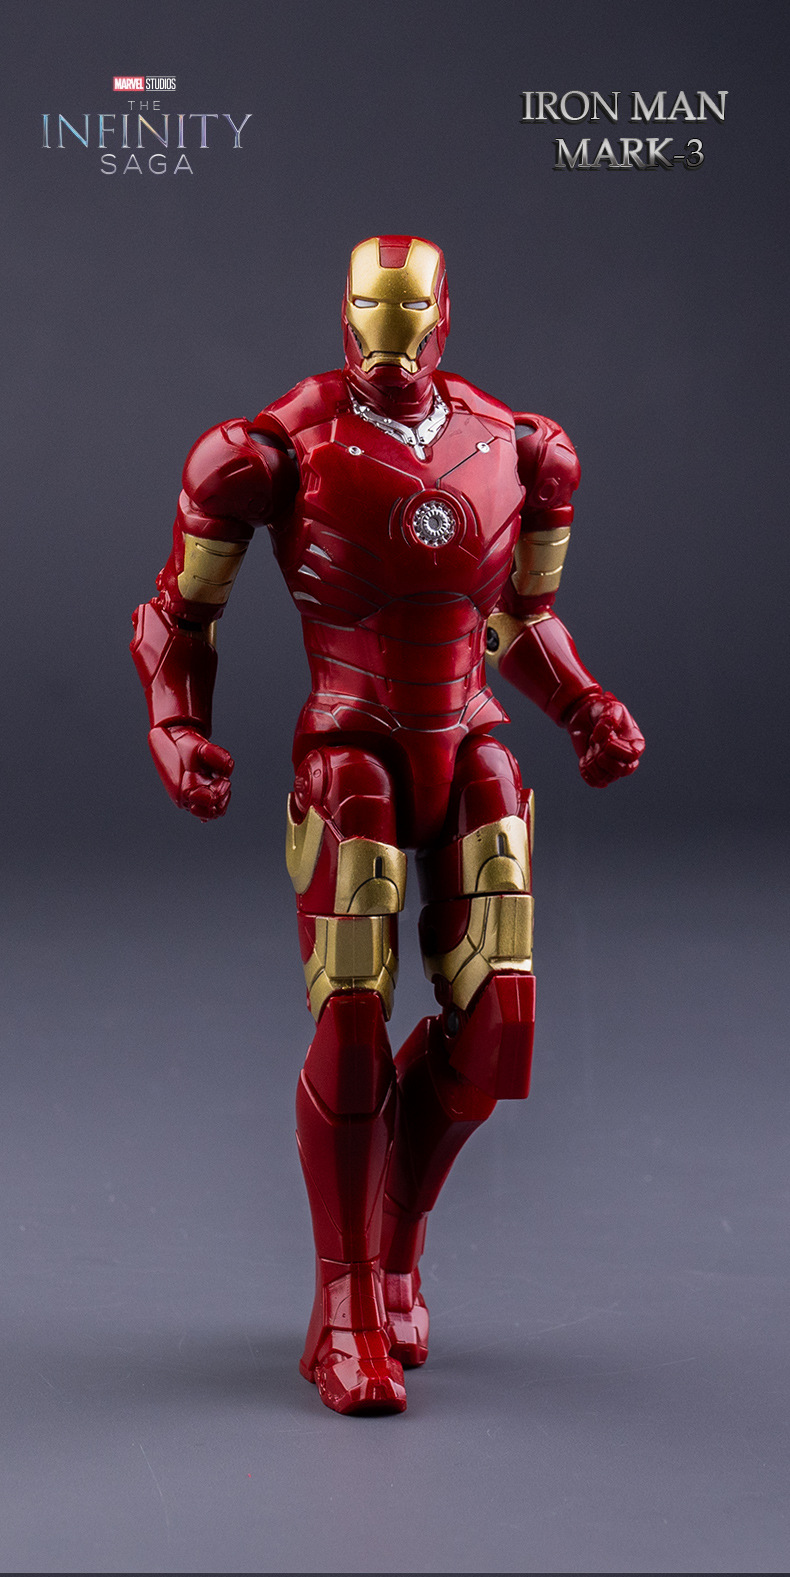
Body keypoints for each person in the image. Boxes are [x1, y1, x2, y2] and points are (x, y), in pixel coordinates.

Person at [132, 234, 644, 1415]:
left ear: (444, 314)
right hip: (350, 745)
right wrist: (174, 727)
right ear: (346, 309)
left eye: (411, 313)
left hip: (466, 736)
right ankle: (344, 1301)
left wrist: (584, 703)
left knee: (497, 1030)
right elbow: (177, 615)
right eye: (374, 309)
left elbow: (521, 620)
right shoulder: (268, 451)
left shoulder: (519, 446)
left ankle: (396, 1245)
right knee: (355, 1021)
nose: (392, 339)